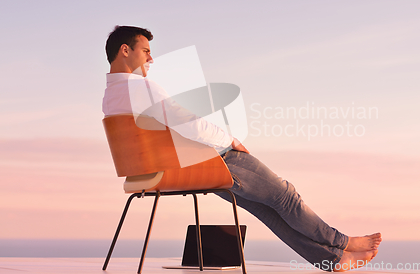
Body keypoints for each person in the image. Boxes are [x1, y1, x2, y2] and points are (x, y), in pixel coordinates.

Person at [102, 25, 381, 272]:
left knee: (267, 209)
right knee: (286, 196)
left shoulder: (110, 97)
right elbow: (188, 122)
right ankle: (342, 242)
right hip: (206, 161)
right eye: (146, 51)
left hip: (167, 168)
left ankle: (332, 260)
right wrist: (229, 140)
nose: (151, 58)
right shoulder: (141, 87)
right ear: (125, 50)